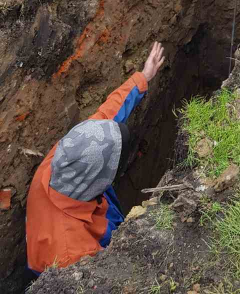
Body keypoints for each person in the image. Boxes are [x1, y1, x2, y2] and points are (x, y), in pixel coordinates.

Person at [26, 42, 165, 277]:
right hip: (65, 253)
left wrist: (143, 77)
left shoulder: (64, 156)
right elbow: (110, 276)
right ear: (99, 179)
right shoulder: (71, 255)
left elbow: (104, 117)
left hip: (88, 212)